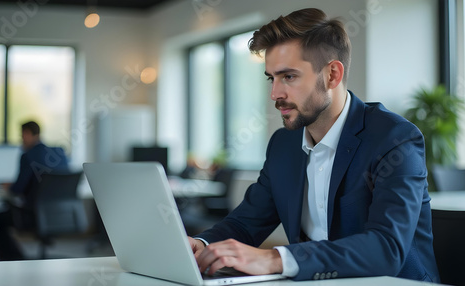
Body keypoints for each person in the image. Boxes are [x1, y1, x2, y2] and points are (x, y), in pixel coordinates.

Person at [188, 8, 440, 282]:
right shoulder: (283, 145)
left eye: (289, 77)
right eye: (272, 78)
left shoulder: (395, 139)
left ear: (332, 75)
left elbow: (386, 249)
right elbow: (246, 222)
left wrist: (275, 258)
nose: (275, 94)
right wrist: (200, 245)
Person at [0, 121, 69, 260]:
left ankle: (14, 258)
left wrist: (9, 186)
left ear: (27, 134)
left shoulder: (28, 155)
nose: (21, 140)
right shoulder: (59, 152)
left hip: (33, 215)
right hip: (61, 214)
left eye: (22, 136)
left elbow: (17, 189)